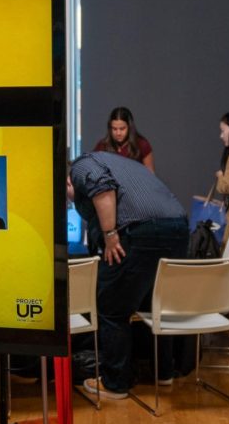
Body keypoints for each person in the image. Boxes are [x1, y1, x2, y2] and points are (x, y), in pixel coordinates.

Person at [68, 151, 190, 398]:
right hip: (178, 227)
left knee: (111, 307)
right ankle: (163, 372)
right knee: (156, 303)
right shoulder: (120, 163)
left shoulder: (81, 166)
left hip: (140, 231)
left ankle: (115, 383)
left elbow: (102, 189)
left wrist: (110, 233)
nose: (71, 202)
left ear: (68, 182)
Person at [93, 106, 155, 172]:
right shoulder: (103, 145)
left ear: (129, 127)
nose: (118, 133)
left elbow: (150, 175)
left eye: (122, 129)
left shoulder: (142, 144)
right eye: (114, 129)